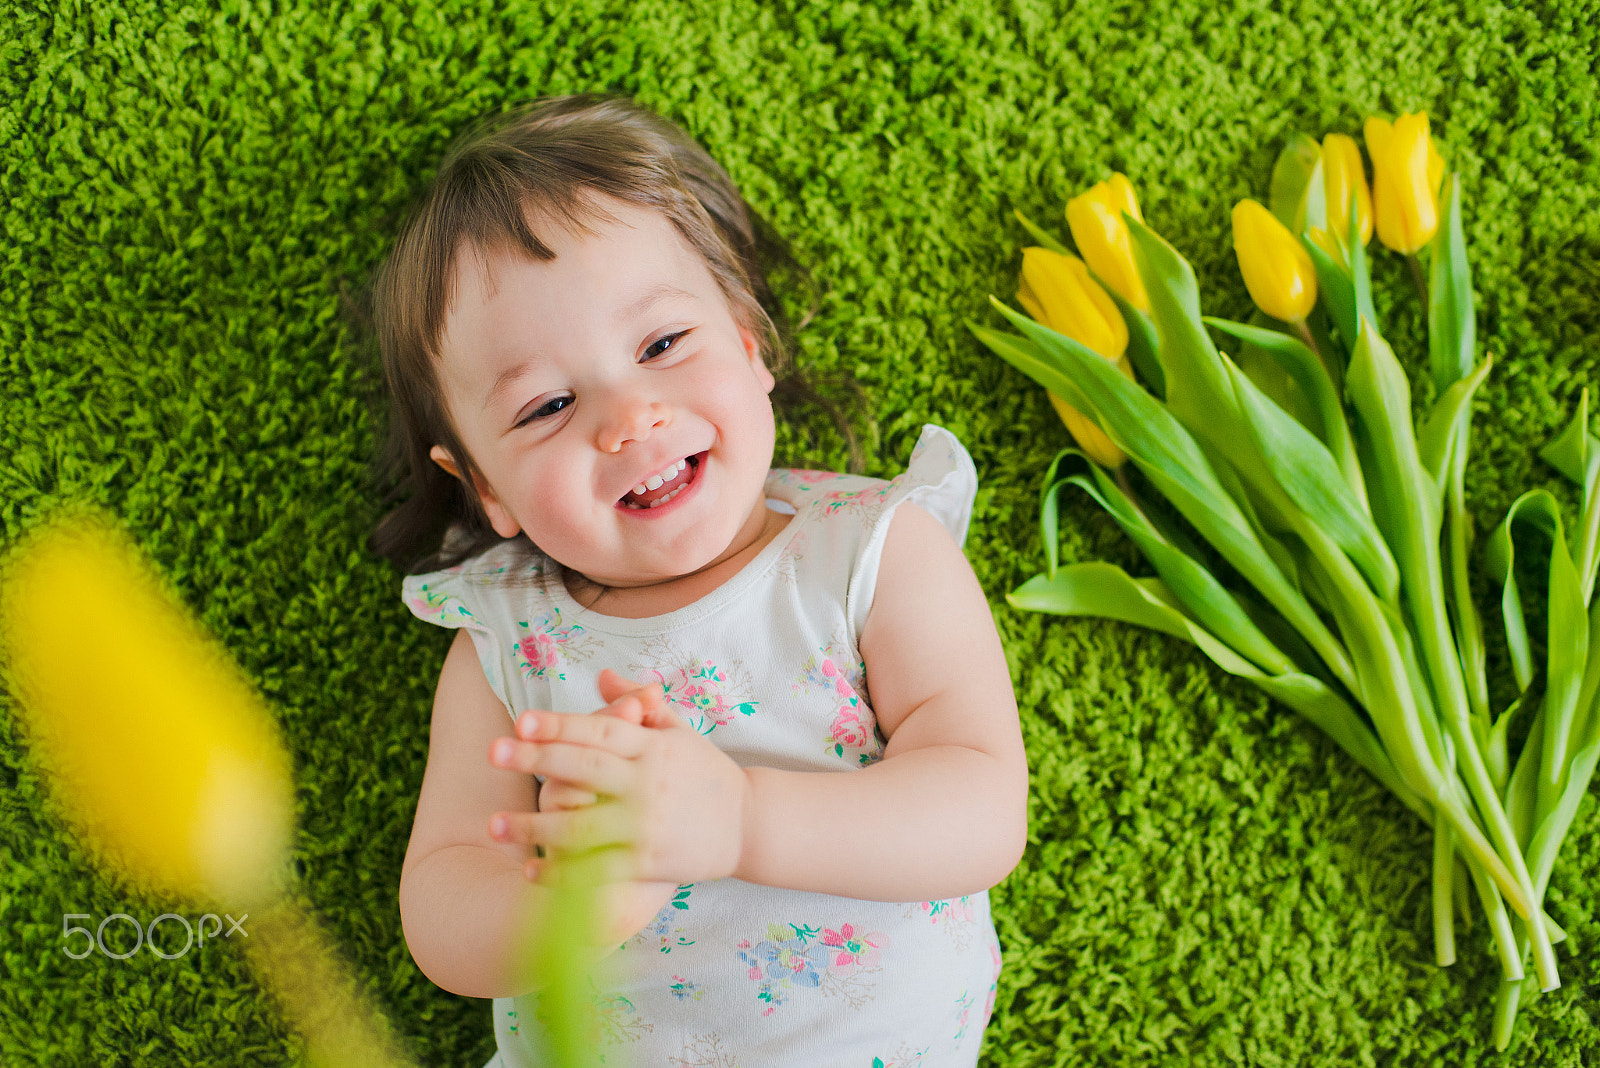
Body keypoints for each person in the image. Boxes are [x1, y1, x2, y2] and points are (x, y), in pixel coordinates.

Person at [365, 92, 1028, 1067]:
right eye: (547, 405)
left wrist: (742, 823)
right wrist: (569, 904)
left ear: (749, 347)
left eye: (662, 346)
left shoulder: (870, 556)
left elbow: (980, 810)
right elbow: (443, 909)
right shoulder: (508, 647)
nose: (628, 417)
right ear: (484, 489)